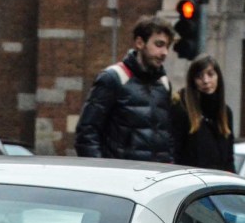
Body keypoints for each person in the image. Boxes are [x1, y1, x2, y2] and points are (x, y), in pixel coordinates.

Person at [75, 16, 175, 162]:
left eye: (167, 46)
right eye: (159, 45)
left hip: (156, 178)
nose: (165, 52)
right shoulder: (113, 78)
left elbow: (168, 135)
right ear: (140, 43)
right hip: (121, 177)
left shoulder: (163, 84)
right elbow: (87, 132)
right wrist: (102, 172)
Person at [171, 54, 235, 171]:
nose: (206, 81)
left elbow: (229, 160)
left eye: (210, 74)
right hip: (192, 183)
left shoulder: (226, 113)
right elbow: (175, 153)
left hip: (218, 183)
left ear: (218, 77)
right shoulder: (183, 110)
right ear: (193, 81)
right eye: (199, 76)